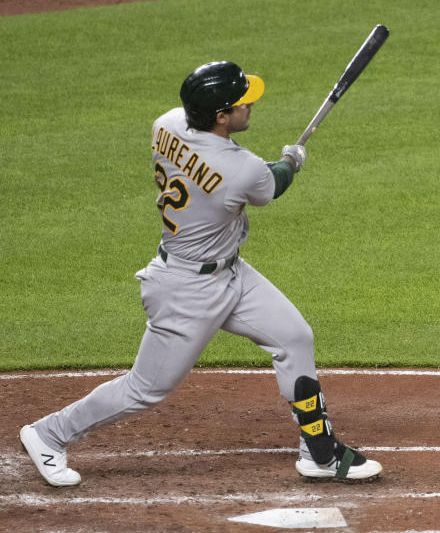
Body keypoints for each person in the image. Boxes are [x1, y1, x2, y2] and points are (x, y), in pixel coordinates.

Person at [19, 61, 381, 486]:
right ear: (221, 116)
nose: (251, 105)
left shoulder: (167, 124)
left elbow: (233, 172)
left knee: (295, 337)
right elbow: (270, 183)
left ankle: (317, 451)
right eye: (242, 102)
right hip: (187, 289)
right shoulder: (243, 168)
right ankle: (49, 433)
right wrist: (290, 160)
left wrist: (272, 166)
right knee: (146, 388)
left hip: (231, 273)